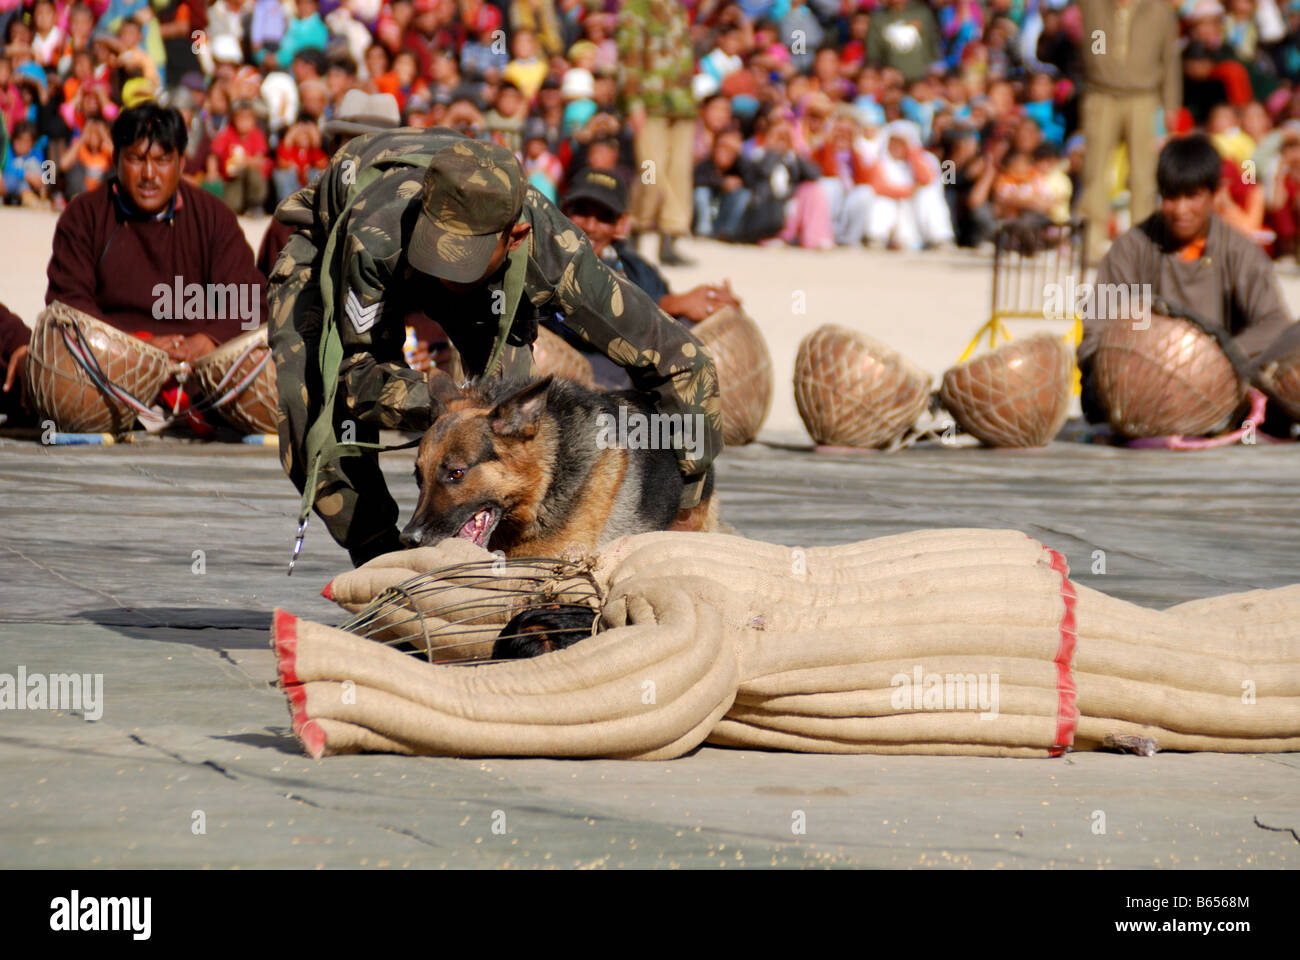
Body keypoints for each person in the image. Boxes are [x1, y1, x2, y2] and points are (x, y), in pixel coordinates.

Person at [267, 130, 722, 567]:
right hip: (338, 246)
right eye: (436, 254)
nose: (445, 273)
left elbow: (684, 364)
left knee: (512, 436)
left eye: (460, 258)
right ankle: (386, 567)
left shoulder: (558, 253)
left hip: (493, 284)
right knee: (311, 416)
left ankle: (498, 578)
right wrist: (449, 409)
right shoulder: (375, 237)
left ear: (517, 236)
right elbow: (356, 374)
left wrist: (686, 509)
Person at [1078, 135, 1294, 422]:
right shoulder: (1132, 248)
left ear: (1215, 194)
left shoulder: (1239, 250)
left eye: (1192, 196)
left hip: (1220, 382)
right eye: (1171, 197)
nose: (1180, 210)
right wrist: (1133, 366)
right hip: (1142, 385)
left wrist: (1211, 359)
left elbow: (1274, 322)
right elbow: (1095, 332)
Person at [45, 101, 266, 365]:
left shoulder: (212, 216)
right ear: (116, 159)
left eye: (162, 161)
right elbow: (68, 302)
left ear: (181, 163)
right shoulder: (85, 215)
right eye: (137, 159)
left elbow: (248, 299)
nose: (149, 174)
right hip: (109, 364)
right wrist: (133, 345)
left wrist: (207, 340)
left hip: (197, 368)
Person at [553, 166, 741, 387]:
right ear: (563, 212)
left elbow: (673, 317)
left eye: (604, 217)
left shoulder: (634, 267)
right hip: (574, 377)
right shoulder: (549, 261)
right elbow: (581, 318)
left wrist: (715, 308)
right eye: (582, 212)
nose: (591, 226)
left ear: (621, 224)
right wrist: (671, 305)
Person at [1078, 0, 1182, 263]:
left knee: (1142, 175)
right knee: (1095, 173)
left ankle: (1142, 248)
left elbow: (1170, 60)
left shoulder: (1159, 12)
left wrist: (1171, 104)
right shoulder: (1094, 6)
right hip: (1101, 93)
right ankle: (1092, 244)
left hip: (1143, 96)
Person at [617, 0, 698, 266]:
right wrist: (633, 104)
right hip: (650, 103)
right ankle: (635, 228)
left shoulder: (677, 9)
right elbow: (628, 58)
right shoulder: (635, 9)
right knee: (651, 169)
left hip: (682, 103)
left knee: (679, 172)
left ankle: (670, 237)